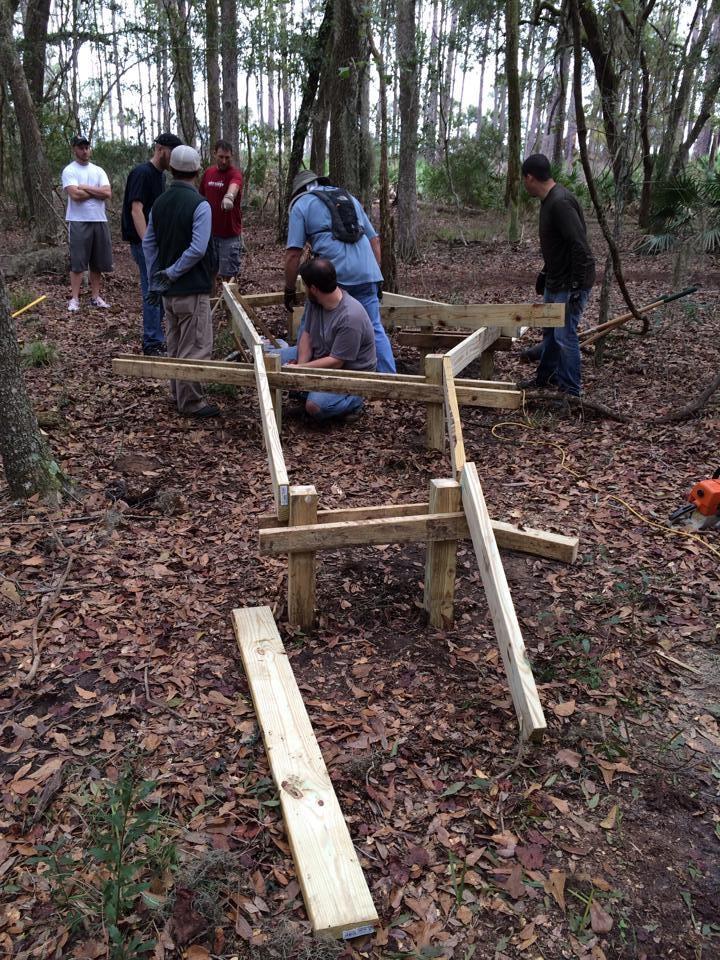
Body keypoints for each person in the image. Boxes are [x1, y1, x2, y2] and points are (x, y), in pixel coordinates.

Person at [284, 170, 396, 374]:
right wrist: (374, 276)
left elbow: (293, 254)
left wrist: (289, 289)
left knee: (309, 324)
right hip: (367, 273)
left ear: (298, 191)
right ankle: (390, 381)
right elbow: (374, 240)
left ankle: (302, 375)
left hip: (332, 276)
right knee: (374, 327)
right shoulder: (348, 198)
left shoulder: (302, 205)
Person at [142, 145, 219, 419]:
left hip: (169, 292)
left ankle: (178, 394)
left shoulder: (159, 203)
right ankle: (191, 403)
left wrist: (157, 277)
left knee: (175, 342)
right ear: (197, 171)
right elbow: (198, 249)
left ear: (172, 169)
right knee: (195, 346)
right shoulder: (200, 205)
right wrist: (171, 273)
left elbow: (149, 244)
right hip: (190, 288)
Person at [518, 153, 595, 397]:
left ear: (530, 177)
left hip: (569, 283)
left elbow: (579, 246)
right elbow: (559, 246)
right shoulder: (549, 200)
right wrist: (546, 272)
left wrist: (575, 285)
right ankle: (546, 378)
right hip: (556, 279)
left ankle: (571, 392)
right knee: (550, 333)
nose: (524, 184)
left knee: (564, 336)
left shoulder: (560, 202)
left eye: (523, 179)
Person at [284, 257, 376, 421]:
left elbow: (336, 362)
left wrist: (300, 371)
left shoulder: (350, 317)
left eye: (305, 285)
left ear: (313, 288)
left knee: (315, 406)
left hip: (349, 374)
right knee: (272, 359)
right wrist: (300, 367)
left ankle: (353, 402)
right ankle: (307, 391)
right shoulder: (315, 301)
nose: (304, 289)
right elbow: (307, 334)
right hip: (320, 355)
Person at [121, 132, 183, 355]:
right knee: (152, 290)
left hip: (155, 243)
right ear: (160, 150)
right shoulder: (142, 173)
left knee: (158, 289)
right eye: (172, 153)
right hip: (143, 244)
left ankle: (156, 338)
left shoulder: (160, 176)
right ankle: (151, 342)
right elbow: (136, 209)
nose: (174, 159)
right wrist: (149, 245)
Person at [61, 135, 113, 313]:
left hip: (99, 219)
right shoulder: (69, 170)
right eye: (81, 147)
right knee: (78, 262)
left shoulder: (98, 170)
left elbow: (107, 193)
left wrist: (85, 187)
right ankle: (74, 299)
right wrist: (96, 192)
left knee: (97, 262)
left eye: (87, 147)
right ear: (74, 149)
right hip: (78, 220)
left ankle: (95, 297)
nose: (84, 151)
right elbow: (74, 195)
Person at [199, 139, 243, 287]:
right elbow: (201, 197)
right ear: (214, 154)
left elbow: (234, 186)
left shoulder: (234, 174)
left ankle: (230, 310)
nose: (224, 161)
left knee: (228, 278)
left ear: (232, 156)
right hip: (209, 234)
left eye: (227, 157)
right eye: (221, 157)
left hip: (229, 236)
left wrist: (229, 197)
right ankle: (209, 308)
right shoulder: (208, 173)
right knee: (209, 274)